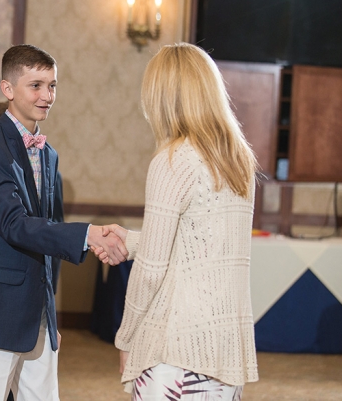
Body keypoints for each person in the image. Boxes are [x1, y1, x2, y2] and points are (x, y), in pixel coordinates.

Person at [0, 44, 127, 400]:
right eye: (36, 85)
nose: (47, 95)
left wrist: (50, 316)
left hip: (38, 317)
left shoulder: (48, 153)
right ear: (7, 89)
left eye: (53, 86)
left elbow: (48, 236)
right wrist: (90, 234)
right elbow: (14, 225)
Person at [95, 43, 259, 400]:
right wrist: (131, 240)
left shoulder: (174, 160)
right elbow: (198, 244)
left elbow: (153, 268)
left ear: (163, 98)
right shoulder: (239, 158)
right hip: (221, 348)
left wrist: (126, 336)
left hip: (177, 348)